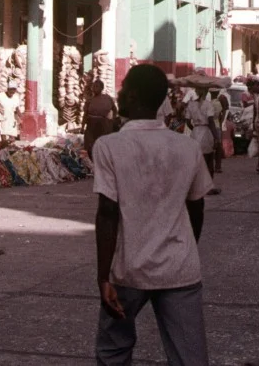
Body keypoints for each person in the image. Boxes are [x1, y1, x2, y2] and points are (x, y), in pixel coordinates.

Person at [93, 64, 213, 365]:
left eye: (123, 89)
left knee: (114, 350)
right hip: (180, 269)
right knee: (189, 356)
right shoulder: (187, 147)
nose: (119, 94)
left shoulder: (109, 146)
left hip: (128, 269)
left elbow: (107, 213)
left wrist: (103, 276)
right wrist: (186, 249)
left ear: (132, 96)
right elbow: (197, 206)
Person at [186, 85, 222, 194]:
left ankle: (196, 185)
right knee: (209, 161)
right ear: (206, 92)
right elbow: (211, 121)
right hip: (206, 132)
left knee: (196, 161)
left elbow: (188, 121)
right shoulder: (208, 104)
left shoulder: (191, 104)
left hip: (195, 132)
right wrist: (216, 137)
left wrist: (195, 128)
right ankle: (208, 187)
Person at [82, 80, 117, 156]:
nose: (94, 88)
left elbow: (114, 109)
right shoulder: (89, 100)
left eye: (97, 86)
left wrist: (112, 120)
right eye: (93, 86)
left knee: (102, 148)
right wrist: (82, 127)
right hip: (91, 125)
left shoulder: (107, 98)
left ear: (102, 88)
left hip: (103, 125)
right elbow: (85, 114)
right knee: (89, 148)